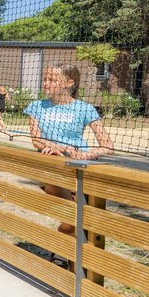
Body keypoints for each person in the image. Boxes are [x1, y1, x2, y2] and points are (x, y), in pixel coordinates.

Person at [27, 65, 114, 235]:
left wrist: (84, 154)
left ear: (69, 83)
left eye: (51, 80)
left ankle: (66, 258)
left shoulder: (85, 108)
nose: (46, 83)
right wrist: (61, 148)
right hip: (52, 168)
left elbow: (108, 147)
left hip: (81, 169)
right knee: (71, 218)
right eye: (45, 79)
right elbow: (37, 141)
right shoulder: (36, 107)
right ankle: (60, 251)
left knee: (84, 225)